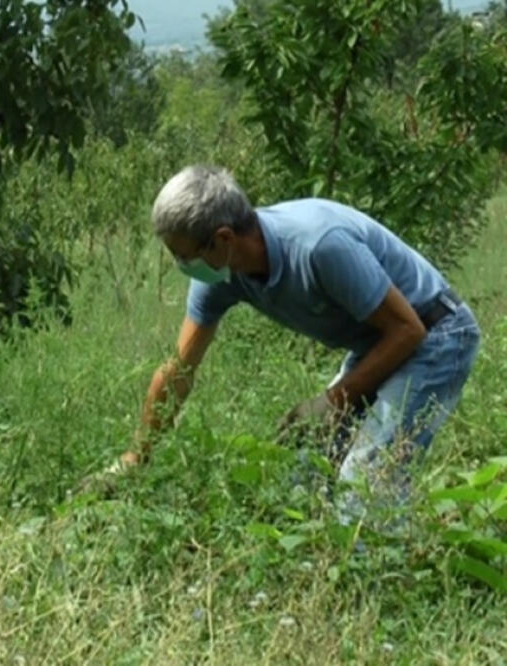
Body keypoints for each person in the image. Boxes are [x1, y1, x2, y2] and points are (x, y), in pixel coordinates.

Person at [116, 165, 480, 522]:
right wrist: (136, 457)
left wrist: (330, 402)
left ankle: (390, 570)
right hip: (379, 343)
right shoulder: (218, 274)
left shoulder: (319, 245)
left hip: (437, 335)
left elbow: (408, 330)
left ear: (224, 239)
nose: (181, 265)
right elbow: (179, 369)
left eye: (184, 255)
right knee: (303, 477)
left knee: (366, 484)